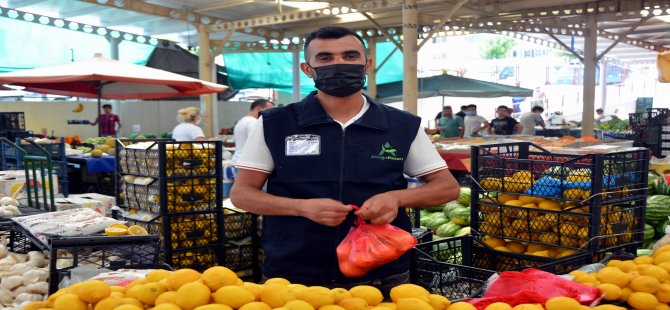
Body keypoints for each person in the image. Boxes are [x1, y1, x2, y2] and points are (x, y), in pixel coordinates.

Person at [230, 26, 458, 292]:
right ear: (307, 69)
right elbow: (242, 194)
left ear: (367, 64)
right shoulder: (275, 124)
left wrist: (396, 198)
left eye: (350, 56)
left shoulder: (401, 125)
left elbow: (447, 187)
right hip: (294, 275)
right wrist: (301, 208)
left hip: (381, 274)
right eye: (325, 58)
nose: (339, 64)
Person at [231, 99, 275, 166]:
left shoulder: (242, 121)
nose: (271, 113)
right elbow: (260, 143)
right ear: (258, 109)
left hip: (239, 160)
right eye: (269, 110)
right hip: (247, 163)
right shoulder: (253, 122)